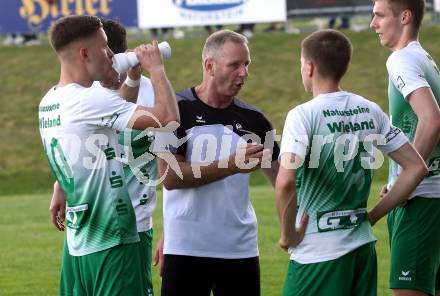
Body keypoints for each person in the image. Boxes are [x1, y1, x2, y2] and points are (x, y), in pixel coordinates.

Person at [275, 29, 428, 296]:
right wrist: (373, 216)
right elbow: (416, 167)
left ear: (309, 67)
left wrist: (288, 235)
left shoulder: (302, 115)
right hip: (362, 249)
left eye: (301, 65)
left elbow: (285, 182)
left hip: (318, 253)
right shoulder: (370, 109)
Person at [40, 15, 179, 295]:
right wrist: (157, 69)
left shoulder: (49, 100)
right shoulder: (88, 100)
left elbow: (111, 117)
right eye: (105, 47)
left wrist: (134, 76)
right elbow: (168, 119)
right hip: (114, 238)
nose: (112, 55)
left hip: (80, 240)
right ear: (84, 53)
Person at [153, 29, 280, 296]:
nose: (243, 73)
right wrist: (232, 165)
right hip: (186, 248)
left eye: (246, 64)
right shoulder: (176, 109)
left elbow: (285, 182)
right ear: (209, 66)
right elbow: (170, 177)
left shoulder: (255, 120)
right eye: (234, 65)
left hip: (240, 249)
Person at [370, 0, 440, 295]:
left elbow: (432, 120)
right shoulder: (424, 58)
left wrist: (405, 180)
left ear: (405, 17)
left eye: (379, 15)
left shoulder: (401, 60)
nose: (374, 23)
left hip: (420, 201)